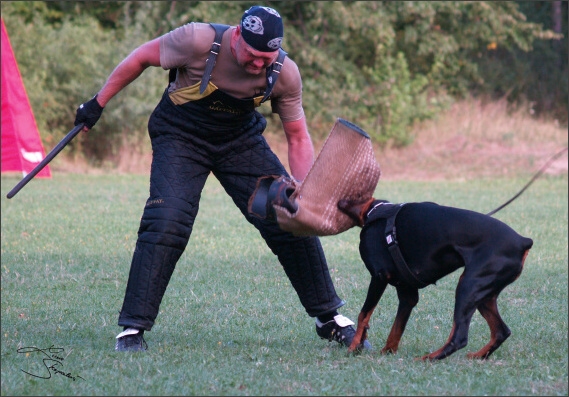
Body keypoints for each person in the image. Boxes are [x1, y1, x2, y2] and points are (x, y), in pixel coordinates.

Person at [74, 5, 371, 352]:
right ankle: (132, 327)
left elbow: (298, 137)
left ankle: (328, 317)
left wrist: (305, 191)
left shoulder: (285, 73)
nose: (260, 64)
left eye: (268, 56)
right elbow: (141, 57)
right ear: (237, 35)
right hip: (180, 137)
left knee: (286, 215)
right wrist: (98, 102)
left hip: (239, 143)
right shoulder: (198, 40)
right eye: (254, 54)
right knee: (167, 219)